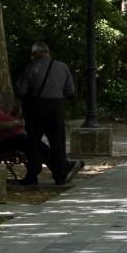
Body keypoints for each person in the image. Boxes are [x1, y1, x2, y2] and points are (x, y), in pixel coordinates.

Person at [14, 42, 81, 186]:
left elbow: (22, 91)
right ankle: (60, 175)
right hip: (56, 107)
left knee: (33, 141)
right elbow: (70, 91)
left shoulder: (30, 68)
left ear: (35, 54)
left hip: (35, 108)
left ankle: (32, 174)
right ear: (48, 52)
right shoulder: (63, 67)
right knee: (58, 141)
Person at [0, 82, 46, 162]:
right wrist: (19, 123)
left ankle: (54, 165)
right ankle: (58, 165)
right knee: (35, 144)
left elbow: (4, 120)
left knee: (35, 143)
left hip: (13, 139)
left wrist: (14, 114)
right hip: (3, 143)